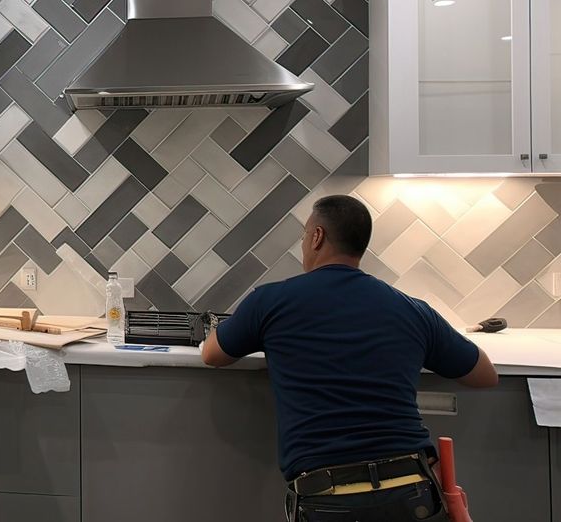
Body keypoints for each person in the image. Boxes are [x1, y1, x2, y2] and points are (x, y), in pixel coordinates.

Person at [201, 194, 498, 522]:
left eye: (304, 235)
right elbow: (486, 374)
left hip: (327, 499)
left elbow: (212, 354)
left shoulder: (270, 302)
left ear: (317, 237)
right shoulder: (412, 310)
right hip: (413, 493)